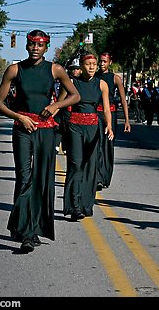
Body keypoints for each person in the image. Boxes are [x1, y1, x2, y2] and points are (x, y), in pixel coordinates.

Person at [0, 30, 80, 253]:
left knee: (42, 180)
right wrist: (19, 117)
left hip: (46, 131)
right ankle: (26, 231)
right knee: (24, 178)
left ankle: (33, 228)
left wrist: (55, 106)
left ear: (46, 47)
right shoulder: (15, 70)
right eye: (32, 44)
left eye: (40, 45)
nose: (35, 48)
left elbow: (74, 95)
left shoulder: (55, 69)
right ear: (26, 45)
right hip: (22, 129)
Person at [58, 52, 113, 220]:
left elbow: (105, 108)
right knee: (75, 165)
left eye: (94, 64)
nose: (91, 67)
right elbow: (59, 105)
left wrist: (109, 126)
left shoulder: (102, 84)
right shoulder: (72, 83)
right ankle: (73, 206)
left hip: (93, 128)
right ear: (81, 66)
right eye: (88, 64)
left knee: (90, 167)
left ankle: (86, 205)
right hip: (75, 127)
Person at [94, 52, 131, 190]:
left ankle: (105, 177)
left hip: (111, 113)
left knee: (108, 146)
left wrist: (127, 120)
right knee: (97, 145)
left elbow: (123, 99)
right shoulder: (95, 77)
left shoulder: (115, 78)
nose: (102, 64)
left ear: (110, 62)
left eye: (104, 61)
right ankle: (97, 177)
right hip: (96, 113)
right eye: (100, 61)